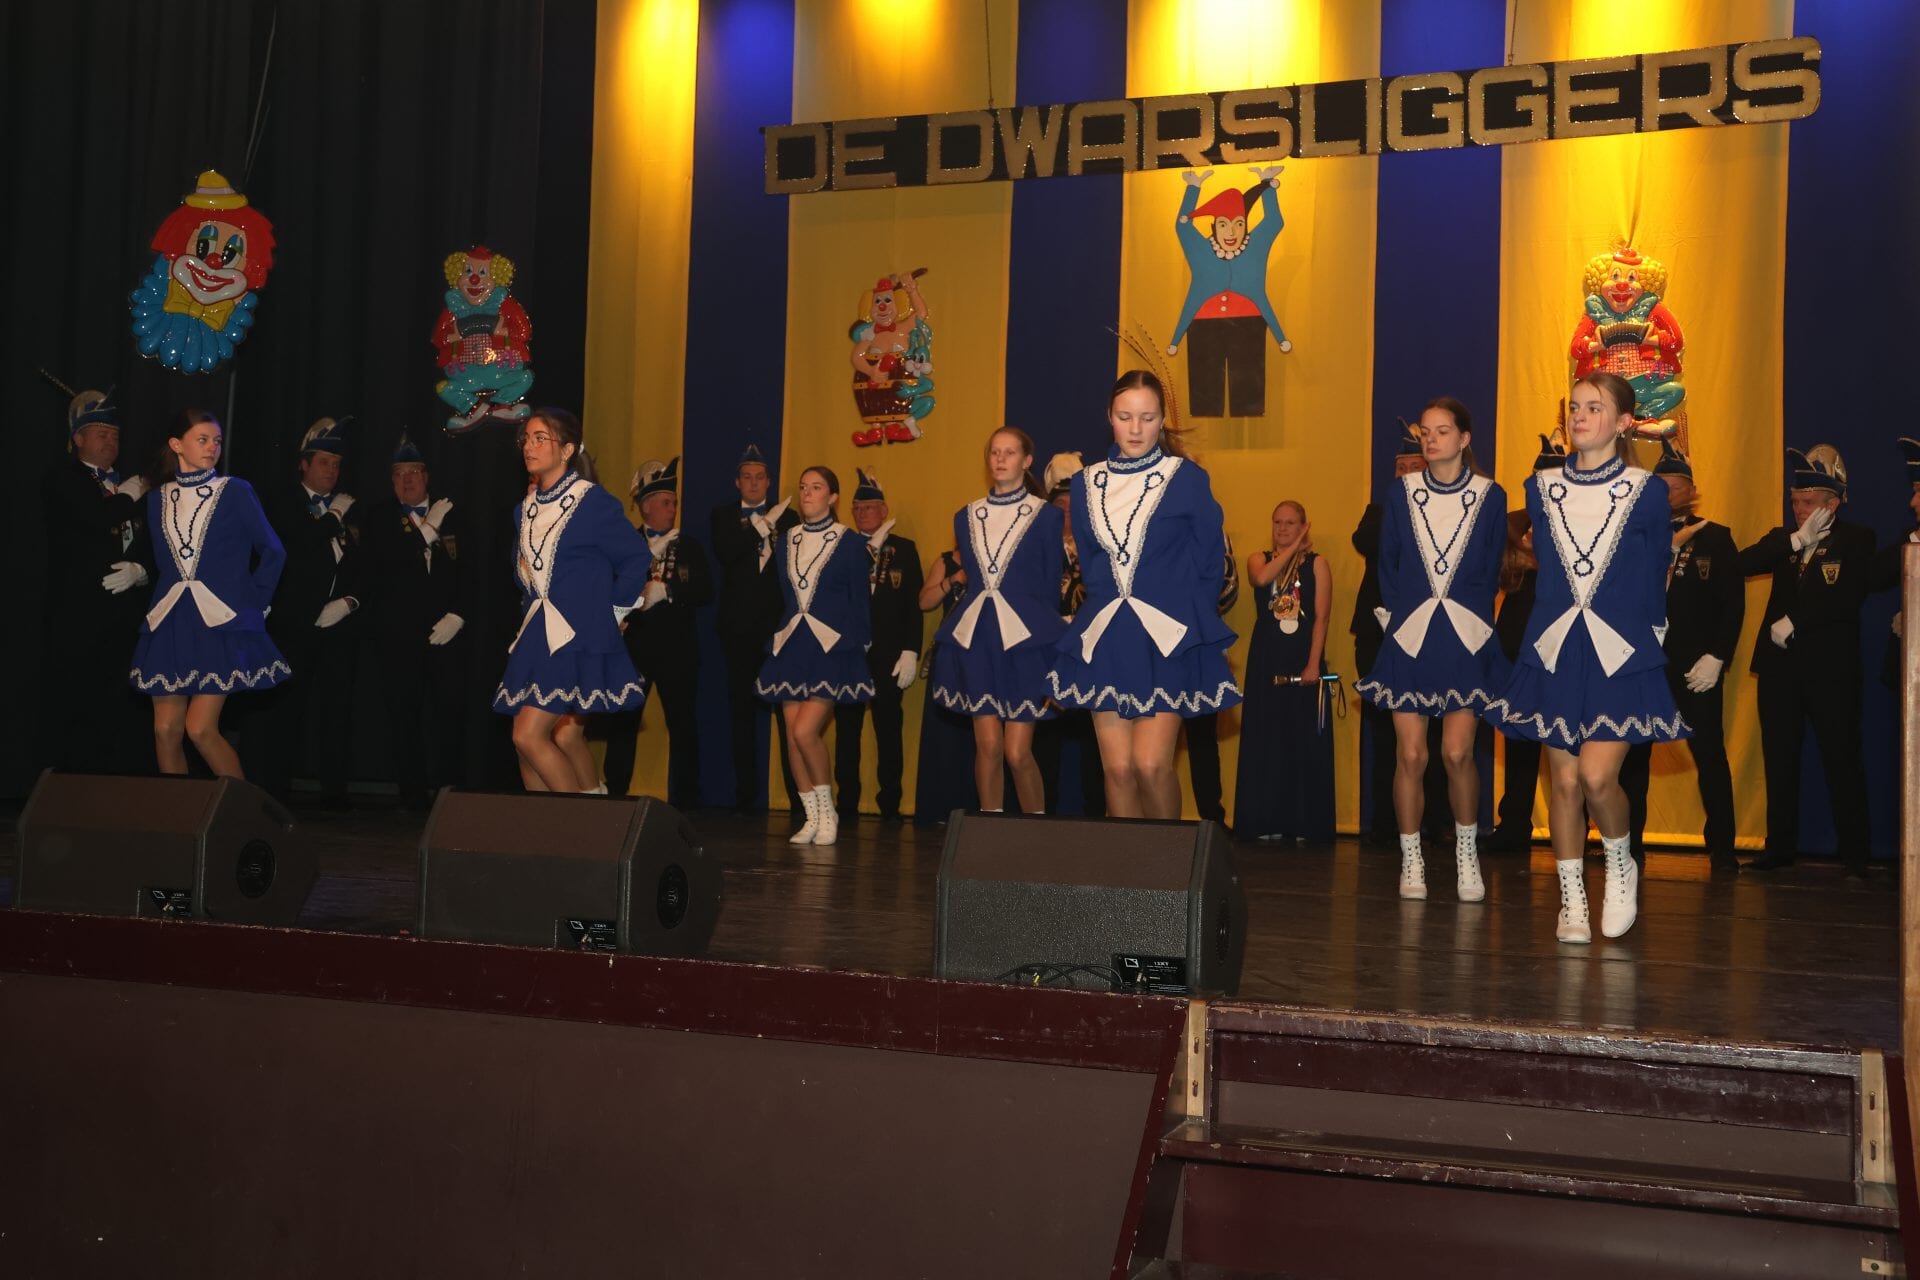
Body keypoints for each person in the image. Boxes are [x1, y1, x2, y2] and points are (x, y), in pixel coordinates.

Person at [1491, 373, 1686, 943]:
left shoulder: (1646, 491)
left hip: (1619, 648)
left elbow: (1655, 571)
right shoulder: (1540, 488)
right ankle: (1572, 898)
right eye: (1574, 406)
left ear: (1623, 422)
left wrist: (1653, 638)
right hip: (1557, 647)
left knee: (1599, 778)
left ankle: (1621, 863)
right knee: (1565, 782)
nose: (1579, 416)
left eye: (1594, 408)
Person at [1048, 370, 1240, 819]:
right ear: (1109, 417)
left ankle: (1170, 861)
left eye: (1147, 418)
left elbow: (1210, 565)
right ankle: (1129, 865)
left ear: (1162, 420)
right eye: (1125, 417)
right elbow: (1090, 564)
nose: (1135, 429)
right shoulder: (1086, 483)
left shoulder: (1186, 478)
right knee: (1117, 771)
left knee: (1150, 765)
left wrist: (1191, 630)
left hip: (1166, 637)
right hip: (1108, 637)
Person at [1356, 398, 1509, 902]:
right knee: (1411, 754)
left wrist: (1473, 622)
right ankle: (1412, 859)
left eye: (1442, 431)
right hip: (1412, 634)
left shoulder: (1490, 495)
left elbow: (1490, 566)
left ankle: (1467, 855)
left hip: (1464, 634)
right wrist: (1399, 619)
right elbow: (1389, 562)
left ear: (1464, 439)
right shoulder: (1401, 492)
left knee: (1458, 752)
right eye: (1426, 431)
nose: (1431, 439)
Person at [494, 409, 652, 792]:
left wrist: (614, 611)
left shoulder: (591, 501)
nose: (529, 446)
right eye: (526, 439)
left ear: (566, 450)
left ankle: (573, 822)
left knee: (529, 734)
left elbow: (636, 558)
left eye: (540, 438)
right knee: (525, 746)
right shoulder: (524, 509)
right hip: (538, 631)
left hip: (576, 632)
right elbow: (529, 577)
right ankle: (554, 825)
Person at [1738, 444, 1876, 875]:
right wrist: (1797, 541)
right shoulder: (1783, 539)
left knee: (1841, 758)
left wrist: (1797, 619)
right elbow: (1741, 565)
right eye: (1795, 501)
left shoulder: (1856, 539)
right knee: (1779, 759)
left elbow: (1848, 596)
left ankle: (1855, 855)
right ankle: (1779, 848)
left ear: (1832, 504)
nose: (1799, 509)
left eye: (1808, 502)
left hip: (1830, 669)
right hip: (1780, 669)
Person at [130, 409, 287, 778]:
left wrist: (256, 602)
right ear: (176, 444)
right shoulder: (157, 498)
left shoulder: (234, 490)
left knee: (200, 728)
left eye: (216, 440)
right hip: (171, 619)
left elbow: (273, 551)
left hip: (220, 619)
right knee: (165, 730)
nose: (212, 447)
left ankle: (241, 808)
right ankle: (177, 810)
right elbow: (163, 562)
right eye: (202, 439)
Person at [1621, 441, 1744, 871]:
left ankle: (1723, 848)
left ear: (1691, 491)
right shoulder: (1634, 535)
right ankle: (1628, 846)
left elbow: (1733, 604)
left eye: (1676, 487)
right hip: (1644, 663)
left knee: (1709, 754)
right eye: (1661, 487)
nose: (1669, 495)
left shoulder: (1715, 536)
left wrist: (1718, 656)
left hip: (1695, 665)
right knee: (1633, 756)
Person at [929, 428, 1065, 815]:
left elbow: (1049, 588)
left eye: (1010, 452)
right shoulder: (966, 516)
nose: (1001, 459)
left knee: (1017, 751)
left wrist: (1052, 649)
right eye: (994, 452)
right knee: (988, 746)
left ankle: (1035, 833)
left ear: (1027, 461)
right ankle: (989, 831)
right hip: (979, 638)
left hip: (1025, 640)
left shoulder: (1047, 516)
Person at [754, 466, 873, 844]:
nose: (807, 493)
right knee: (792, 737)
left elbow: (860, 599)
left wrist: (860, 644)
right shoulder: (786, 539)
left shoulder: (849, 542)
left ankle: (828, 810)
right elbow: (782, 594)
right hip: (794, 643)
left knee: (806, 732)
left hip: (832, 645)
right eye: (803, 487)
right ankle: (811, 816)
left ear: (833, 497)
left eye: (816, 487)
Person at [39, 385, 154, 774]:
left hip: (125, 621)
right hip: (79, 620)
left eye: (116, 436)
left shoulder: (127, 486)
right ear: (78, 439)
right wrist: (129, 494)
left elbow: (152, 544)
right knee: (79, 716)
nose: (111, 442)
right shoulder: (63, 479)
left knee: (121, 715)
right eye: (102, 434)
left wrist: (142, 571)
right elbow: (95, 518)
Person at [251, 417, 363, 807]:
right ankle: (273, 792)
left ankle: (334, 794)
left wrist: (349, 601)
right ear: (304, 464)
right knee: (287, 710)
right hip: (294, 623)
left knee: (336, 710)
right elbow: (295, 546)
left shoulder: (349, 506)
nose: (331, 471)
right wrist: (332, 518)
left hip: (338, 623)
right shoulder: (283, 502)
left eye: (337, 465)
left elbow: (365, 564)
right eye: (324, 463)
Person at [357, 433, 470, 811]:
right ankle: (413, 796)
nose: (407, 480)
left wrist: (459, 613)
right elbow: (388, 566)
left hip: (447, 632)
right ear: (391, 481)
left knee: (449, 713)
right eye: (399, 474)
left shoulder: (452, 512)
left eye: (414, 472)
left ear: (427, 477)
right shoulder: (379, 517)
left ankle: (449, 791)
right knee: (404, 715)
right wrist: (425, 531)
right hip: (398, 634)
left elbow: (471, 570)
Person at [603, 457, 713, 808]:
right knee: (624, 723)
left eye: (674, 503)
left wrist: (670, 591)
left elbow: (706, 590)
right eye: (666, 503)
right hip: (634, 650)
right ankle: (614, 797)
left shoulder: (689, 546)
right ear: (647, 506)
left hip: (678, 651)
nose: (672, 509)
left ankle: (688, 801)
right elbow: (609, 588)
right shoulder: (626, 544)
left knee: (683, 725)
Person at [710, 444, 803, 816]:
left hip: (779, 628)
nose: (753, 483)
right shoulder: (723, 516)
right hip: (738, 628)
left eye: (759, 477)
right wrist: (759, 527)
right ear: (737, 482)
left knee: (789, 714)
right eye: (746, 477)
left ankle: (799, 797)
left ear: (768, 481)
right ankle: (745, 797)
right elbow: (727, 553)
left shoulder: (789, 517)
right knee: (742, 713)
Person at [1234, 500, 1335, 842]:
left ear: (1303, 526)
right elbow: (1261, 578)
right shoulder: (1259, 558)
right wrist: (1292, 549)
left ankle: (1302, 822)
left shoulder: (1318, 564)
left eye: (1291, 523)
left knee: (1300, 740)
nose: (1282, 528)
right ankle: (1265, 820)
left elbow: (1321, 618)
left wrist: (1313, 663)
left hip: (1302, 658)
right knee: (1267, 739)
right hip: (1266, 659)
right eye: (1277, 522)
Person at [1350, 426, 1431, 845]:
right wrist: (1402, 504)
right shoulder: (1378, 510)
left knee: (1428, 733)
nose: (1406, 474)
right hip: (1377, 635)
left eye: (1415, 467)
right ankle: (1385, 824)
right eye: (1401, 468)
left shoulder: (1441, 513)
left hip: (1426, 633)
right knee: (1383, 732)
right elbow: (1364, 540)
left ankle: (1431, 823)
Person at [835, 469, 923, 820]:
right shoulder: (842, 547)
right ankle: (846, 803)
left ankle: (890, 804)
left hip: (889, 654)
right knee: (847, 731)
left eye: (869, 507)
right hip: (850, 654)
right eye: (857, 508)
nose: (862, 513)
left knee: (889, 730)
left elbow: (913, 606)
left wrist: (911, 650)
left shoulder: (904, 549)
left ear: (884, 510)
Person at [1032, 452, 1106, 817]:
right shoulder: (1037, 551)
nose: (1065, 513)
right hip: (1048, 653)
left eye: (1072, 507)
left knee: (1096, 740)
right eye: (1058, 507)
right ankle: (1043, 815)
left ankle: (1097, 816)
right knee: (1045, 738)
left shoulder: (1099, 551)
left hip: (1090, 654)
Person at [1487, 501, 1543, 852]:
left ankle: (1576, 830)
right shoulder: (1520, 564)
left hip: (1555, 653)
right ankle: (1514, 826)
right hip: (1517, 653)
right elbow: (1508, 524)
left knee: (1568, 748)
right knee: (1520, 742)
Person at [912, 546, 982, 823]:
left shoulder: (995, 558)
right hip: (950, 655)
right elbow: (924, 602)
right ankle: (943, 807)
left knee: (979, 735)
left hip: (982, 654)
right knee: (946, 735)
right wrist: (954, 579)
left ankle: (979, 807)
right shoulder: (946, 561)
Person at [1184, 536, 1240, 823]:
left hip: (1201, 641)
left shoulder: (1215, 533)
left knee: (1202, 738)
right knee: (1151, 749)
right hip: (1156, 645)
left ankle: (1212, 820)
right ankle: (1153, 826)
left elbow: (1228, 590)